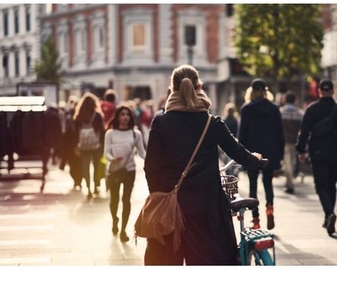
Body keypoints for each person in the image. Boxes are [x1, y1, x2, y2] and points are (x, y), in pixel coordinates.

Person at [143, 64, 266, 265]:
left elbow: (151, 167)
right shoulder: (211, 123)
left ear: (172, 89)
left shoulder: (161, 123)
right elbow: (238, 153)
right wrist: (256, 160)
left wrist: (160, 195)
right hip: (205, 208)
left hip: (170, 210)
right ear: (199, 87)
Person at [296, 79, 337, 236]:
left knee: (321, 186)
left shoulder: (312, 109)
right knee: (331, 185)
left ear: (319, 91)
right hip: (336, 153)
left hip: (318, 153)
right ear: (333, 91)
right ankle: (329, 215)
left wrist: (301, 150)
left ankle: (328, 213)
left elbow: (304, 130)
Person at [238, 78, 284, 230]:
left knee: (252, 186)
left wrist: (241, 155)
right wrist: (280, 155)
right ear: (266, 91)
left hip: (252, 153)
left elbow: (242, 135)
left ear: (251, 91)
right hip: (270, 153)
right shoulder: (274, 109)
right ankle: (269, 209)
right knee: (268, 183)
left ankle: (256, 220)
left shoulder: (246, 109)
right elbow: (280, 134)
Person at [104, 104, 146, 242]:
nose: (125, 117)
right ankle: (115, 219)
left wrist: (155, 159)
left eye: (128, 115)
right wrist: (113, 159)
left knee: (126, 199)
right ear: (117, 116)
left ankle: (123, 229)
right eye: (122, 114)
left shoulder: (136, 134)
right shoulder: (110, 133)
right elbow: (106, 153)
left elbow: (142, 153)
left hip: (129, 170)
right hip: (114, 170)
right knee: (114, 200)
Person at [73, 92, 105, 199]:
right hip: (96, 145)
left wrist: (76, 146)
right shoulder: (97, 115)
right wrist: (102, 145)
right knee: (96, 166)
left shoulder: (78, 116)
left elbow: (75, 132)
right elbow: (102, 131)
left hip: (83, 146)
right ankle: (96, 186)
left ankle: (88, 189)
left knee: (85, 167)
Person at [280, 91, 304, 194]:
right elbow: (302, 129)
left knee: (287, 162)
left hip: (284, 141)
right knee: (293, 162)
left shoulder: (281, 112)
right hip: (295, 141)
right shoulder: (299, 113)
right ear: (294, 100)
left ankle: (289, 184)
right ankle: (289, 183)